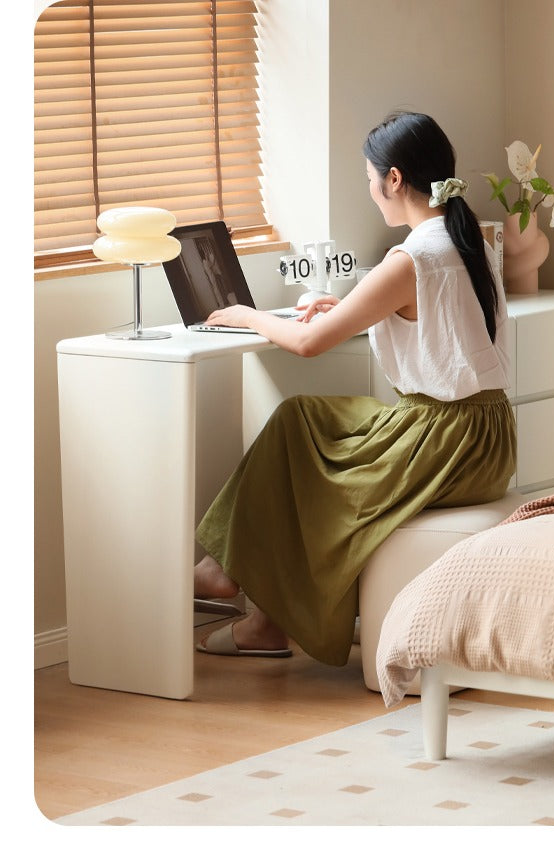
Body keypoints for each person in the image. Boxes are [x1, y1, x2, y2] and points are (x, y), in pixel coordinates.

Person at [193, 111, 516, 664]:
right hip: (486, 435)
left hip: (444, 437)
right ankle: (258, 610)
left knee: (312, 460)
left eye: (370, 179)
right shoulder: (467, 239)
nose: (370, 192)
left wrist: (246, 315)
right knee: (303, 421)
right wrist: (347, 306)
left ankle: (234, 578)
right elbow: (439, 320)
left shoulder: (410, 256)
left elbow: (306, 345)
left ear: (394, 178)